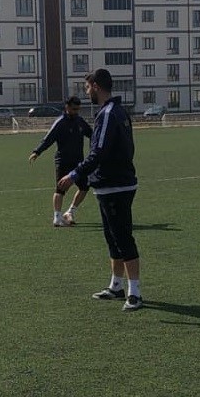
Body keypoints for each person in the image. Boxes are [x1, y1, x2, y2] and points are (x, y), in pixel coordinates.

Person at [57, 68, 142, 311]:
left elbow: (99, 151)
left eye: (87, 87)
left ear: (95, 86)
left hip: (116, 185)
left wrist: (74, 174)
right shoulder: (118, 111)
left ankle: (135, 293)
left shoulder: (108, 113)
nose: (86, 93)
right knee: (112, 238)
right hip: (110, 184)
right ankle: (116, 286)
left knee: (122, 238)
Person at [28, 96, 92, 227]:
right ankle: (57, 217)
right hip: (63, 161)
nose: (76, 112)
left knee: (85, 187)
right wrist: (37, 151)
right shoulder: (60, 122)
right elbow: (48, 139)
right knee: (61, 189)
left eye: (78, 109)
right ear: (67, 107)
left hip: (78, 162)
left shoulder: (80, 121)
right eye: (74, 109)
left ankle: (70, 212)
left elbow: (92, 134)